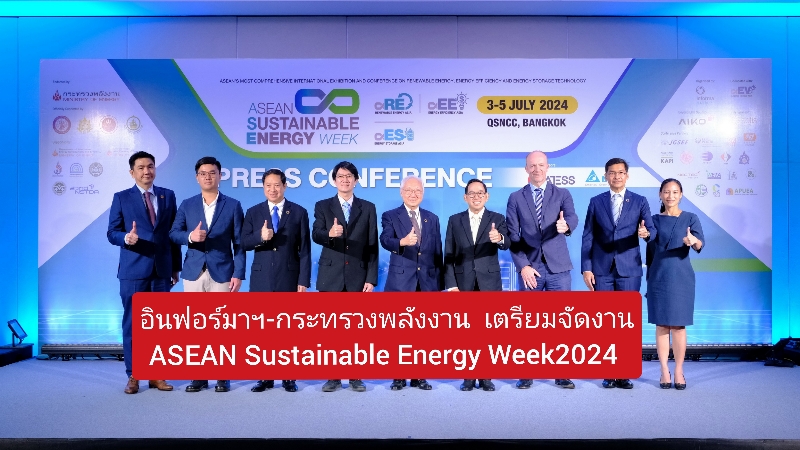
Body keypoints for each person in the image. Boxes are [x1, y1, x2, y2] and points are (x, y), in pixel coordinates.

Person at [169, 156, 245, 393]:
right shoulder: (187, 204)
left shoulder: (233, 205)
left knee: (222, 327)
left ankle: (222, 376)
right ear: (197, 177)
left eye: (212, 172)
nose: (208, 177)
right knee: (196, 327)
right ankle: (199, 376)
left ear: (220, 176)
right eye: (203, 173)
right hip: (193, 272)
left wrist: (238, 273)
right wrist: (190, 237)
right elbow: (174, 233)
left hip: (222, 272)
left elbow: (239, 244)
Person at [107, 151, 181, 394]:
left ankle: (157, 374)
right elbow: (112, 232)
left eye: (150, 166)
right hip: (133, 270)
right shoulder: (121, 197)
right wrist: (125, 238)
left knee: (159, 326)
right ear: (132, 172)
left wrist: (175, 267)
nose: (146, 171)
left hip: (161, 271)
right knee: (133, 325)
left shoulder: (168, 195)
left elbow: (173, 235)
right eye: (141, 167)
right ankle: (134, 375)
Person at [581, 157, 655, 390]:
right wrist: (586, 267)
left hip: (629, 269)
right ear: (606, 176)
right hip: (601, 270)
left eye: (620, 172)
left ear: (627, 175)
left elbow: (651, 229)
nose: (616, 176)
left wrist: (646, 233)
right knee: (605, 323)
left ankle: (624, 372)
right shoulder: (596, 202)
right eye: (612, 173)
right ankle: (609, 372)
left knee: (626, 323)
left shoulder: (640, 201)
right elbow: (588, 236)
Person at [506, 150, 578, 390]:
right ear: (526, 169)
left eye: (541, 165)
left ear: (548, 167)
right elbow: (512, 236)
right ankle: (526, 373)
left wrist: (566, 225)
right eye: (532, 165)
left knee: (561, 323)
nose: (537, 169)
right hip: (531, 268)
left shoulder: (562, 194)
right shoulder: (516, 198)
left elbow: (572, 218)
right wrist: (523, 265)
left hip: (559, 269)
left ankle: (562, 373)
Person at [242, 169, 310, 394]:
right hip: (261, 279)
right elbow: (243, 242)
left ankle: (288, 376)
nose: (273, 189)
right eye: (268, 185)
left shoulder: (298, 212)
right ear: (263, 187)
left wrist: (303, 280)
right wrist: (260, 237)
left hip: (288, 278)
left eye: (277, 185)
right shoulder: (253, 212)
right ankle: (265, 376)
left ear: (285, 186)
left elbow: (305, 250)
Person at [312, 161, 378, 392]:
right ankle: (333, 377)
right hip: (331, 276)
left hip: (357, 276)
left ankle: (355, 376)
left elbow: (372, 245)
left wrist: (371, 277)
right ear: (334, 180)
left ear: (356, 180)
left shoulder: (368, 207)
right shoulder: (323, 206)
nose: (345, 180)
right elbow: (316, 234)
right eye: (340, 176)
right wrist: (329, 234)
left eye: (349, 176)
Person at [444, 178, 509, 392]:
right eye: (472, 193)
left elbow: (507, 242)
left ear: (487, 196)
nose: (476, 197)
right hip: (463, 284)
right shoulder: (455, 220)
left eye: (480, 193)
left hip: (489, 284)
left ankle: (486, 376)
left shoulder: (497, 218)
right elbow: (448, 254)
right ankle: (468, 376)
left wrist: (499, 238)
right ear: (465, 197)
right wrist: (451, 285)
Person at [380, 176, 444, 391]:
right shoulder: (390, 215)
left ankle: (419, 376)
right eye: (409, 190)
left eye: (417, 190)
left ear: (423, 193)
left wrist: (439, 284)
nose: (413, 194)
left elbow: (437, 251)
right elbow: (385, 240)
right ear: (401, 193)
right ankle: (398, 376)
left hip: (426, 283)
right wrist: (402, 242)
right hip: (400, 283)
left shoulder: (432, 218)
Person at [646, 178, 704, 391]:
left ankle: (679, 370)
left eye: (675, 192)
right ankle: (664, 370)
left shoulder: (691, 218)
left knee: (679, 326)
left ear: (681, 195)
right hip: (658, 276)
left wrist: (693, 241)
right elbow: (648, 240)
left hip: (681, 277)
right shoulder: (652, 220)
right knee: (662, 325)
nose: (670, 196)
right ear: (660, 194)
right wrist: (643, 234)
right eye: (666, 192)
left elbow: (699, 243)